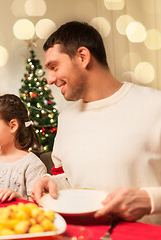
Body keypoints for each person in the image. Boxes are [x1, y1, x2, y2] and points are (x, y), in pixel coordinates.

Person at [31, 21, 161, 225]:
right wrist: (52, 182)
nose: (49, 79)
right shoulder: (66, 119)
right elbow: (71, 179)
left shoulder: (155, 105)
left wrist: (150, 200)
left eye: (54, 67)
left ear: (83, 57)